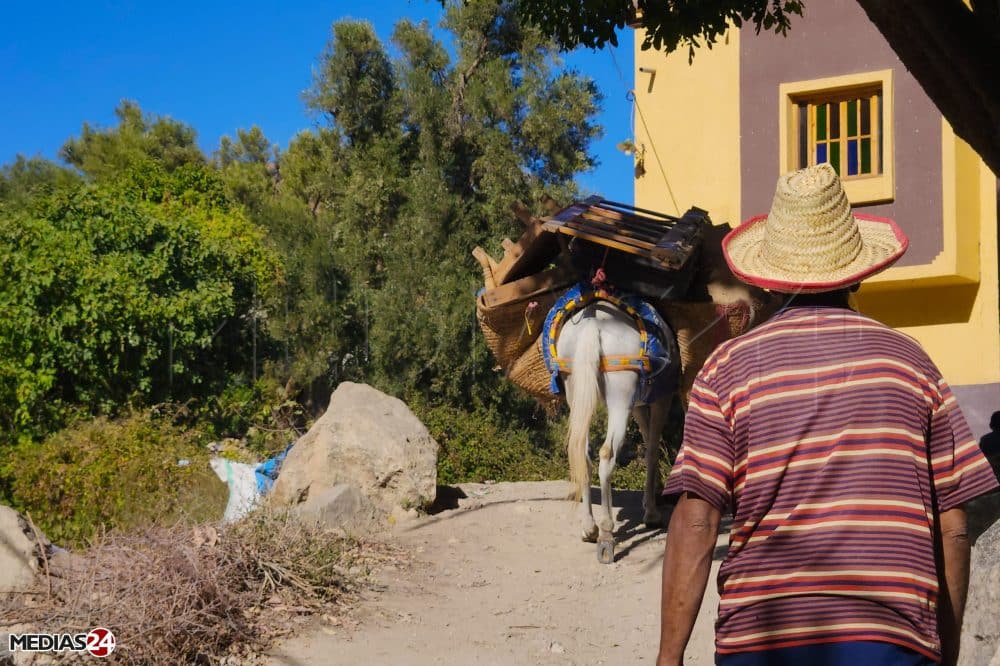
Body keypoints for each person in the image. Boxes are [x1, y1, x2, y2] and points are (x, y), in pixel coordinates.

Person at [656, 163, 999, 666]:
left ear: (768, 283)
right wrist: (943, 656)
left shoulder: (725, 370)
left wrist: (669, 659)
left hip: (763, 641)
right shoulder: (911, 364)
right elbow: (953, 526)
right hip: (892, 641)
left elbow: (696, 522)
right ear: (857, 274)